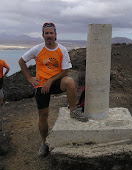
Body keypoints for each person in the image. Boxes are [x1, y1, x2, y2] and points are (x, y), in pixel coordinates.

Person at [18, 22, 88, 157]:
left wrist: (50, 81)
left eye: (51, 33)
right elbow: (21, 61)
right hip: (40, 86)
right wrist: (30, 78)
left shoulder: (61, 50)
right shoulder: (37, 49)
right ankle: (44, 143)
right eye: (47, 33)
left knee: (70, 82)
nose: (49, 35)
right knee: (43, 115)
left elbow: (65, 71)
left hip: (55, 83)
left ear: (55, 35)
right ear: (43, 35)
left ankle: (73, 110)